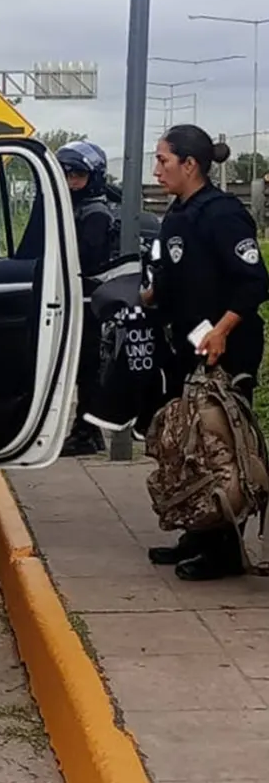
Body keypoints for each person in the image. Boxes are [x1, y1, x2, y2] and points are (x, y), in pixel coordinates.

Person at [143, 125, 269, 581]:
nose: (157, 169)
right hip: (187, 345)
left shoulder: (223, 215)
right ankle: (197, 532)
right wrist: (153, 294)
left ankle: (225, 550)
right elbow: (178, 272)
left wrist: (221, 331)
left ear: (189, 164)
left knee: (220, 448)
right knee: (187, 444)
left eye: (163, 160)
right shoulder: (179, 213)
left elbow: (254, 282)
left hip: (225, 349)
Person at [57, 141, 118, 456]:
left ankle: (85, 433)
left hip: (89, 302)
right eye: (66, 173)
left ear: (93, 175)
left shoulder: (94, 212)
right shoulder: (77, 207)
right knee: (86, 370)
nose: (70, 180)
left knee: (87, 369)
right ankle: (89, 431)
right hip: (84, 300)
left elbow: (86, 260)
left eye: (78, 173)